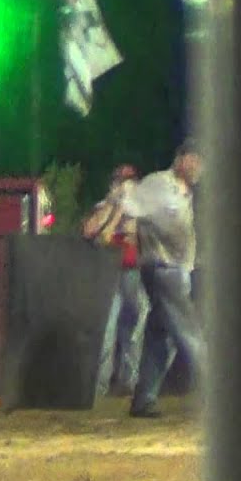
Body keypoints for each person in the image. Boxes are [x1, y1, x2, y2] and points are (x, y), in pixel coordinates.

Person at [120, 140, 205, 418]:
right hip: (162, 269)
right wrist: (117, 201)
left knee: (161, 337)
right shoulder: (159, 184)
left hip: (178, 269)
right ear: (181, 159)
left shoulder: (186, 193)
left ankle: (144, 398)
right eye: (195, 159)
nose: (199, 167)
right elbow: (129, 203)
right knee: (189, 332)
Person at [83, 164, 150, 397]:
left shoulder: (142, 210)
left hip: (134, 272)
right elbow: (90, 232)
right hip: (108, 273)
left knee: (135, 325)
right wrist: (114, 207)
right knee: (108, 328)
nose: (125, 186)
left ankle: (128, 382)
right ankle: (100, 386)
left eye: (130, 181)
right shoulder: (104, 206)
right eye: (120, 181)